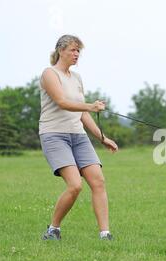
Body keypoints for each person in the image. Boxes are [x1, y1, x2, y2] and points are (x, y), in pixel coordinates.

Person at [39, 35, 118, 240]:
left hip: (78, 136)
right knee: (75, 185)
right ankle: (53, 230)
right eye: (73, 50)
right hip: (55, 135)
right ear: (61, 50)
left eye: (78, 51)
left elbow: (82, 113)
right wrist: (91, 105)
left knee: (98, 181)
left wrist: (102, 137)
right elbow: (62, 102)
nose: (76, 55)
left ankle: (105, 234)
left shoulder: (76, 78)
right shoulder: (50, 74)